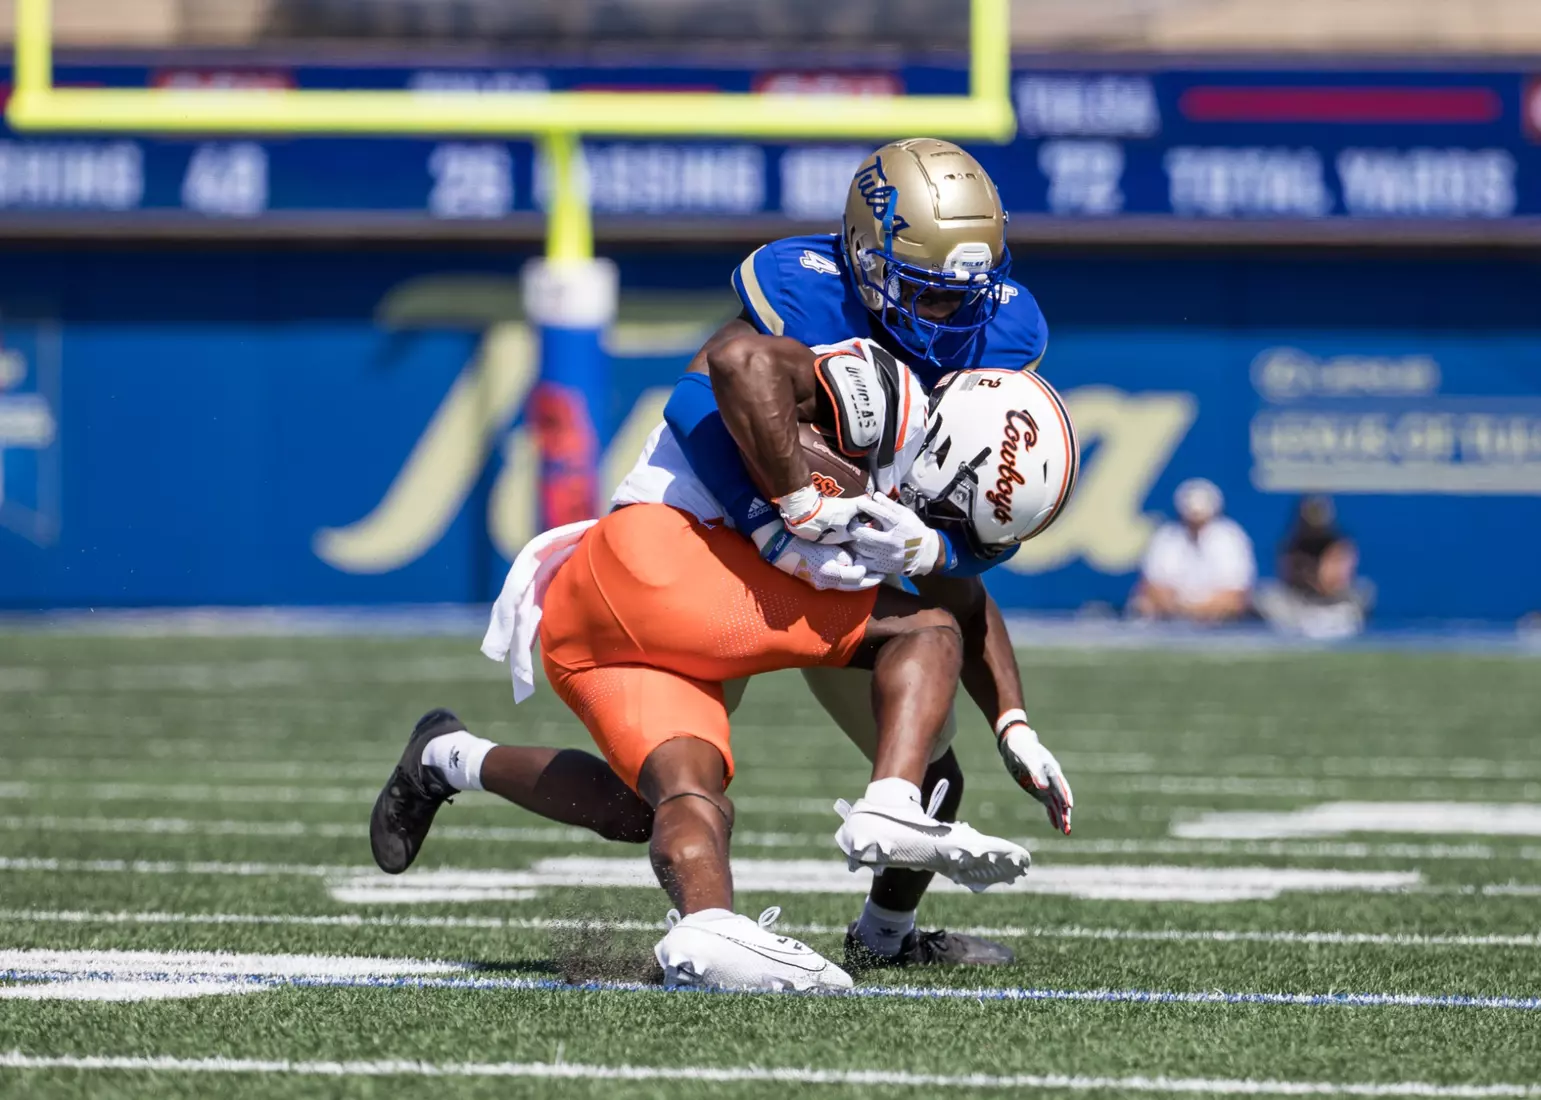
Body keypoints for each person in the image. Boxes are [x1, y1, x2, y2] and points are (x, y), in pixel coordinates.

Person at [370, 336, 1080, 992]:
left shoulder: (924, 482)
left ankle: (451, 760)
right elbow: (736, 363)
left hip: (600, 620)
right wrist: (803, 499)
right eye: (956, 517)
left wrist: (1013, 724)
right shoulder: (879, 403)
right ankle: (890, 805)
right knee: (921, 634)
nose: (949, 539)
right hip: (661, 562)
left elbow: (964, 595)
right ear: (953, 451)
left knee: (666, 803)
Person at [652, 137, 1071, 972]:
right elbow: (701, 398)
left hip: (833, 554)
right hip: (717, 539)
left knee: (930, 768)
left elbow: (969, 562)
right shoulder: (804, 293)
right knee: (660, 786)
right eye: (926, 292)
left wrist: (938, 547)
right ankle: (455, 763)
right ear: (868, 254)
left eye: (965, 294)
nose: (951, 317)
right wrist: (783, 515)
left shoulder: (997, 329)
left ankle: (884, 939)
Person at [1130, 478, 1256, 624]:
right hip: (1170, 619)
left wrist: (1197, 611)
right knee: (1142, 605)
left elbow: (1235, 596)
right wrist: (1179, 609)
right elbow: (1153, 587)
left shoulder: (1231, 537)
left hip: (1219, 622)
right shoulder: (1166, 537)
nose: (1195, 520)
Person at [1256, 496, 1371, 639]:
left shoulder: (1357, 599)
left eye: (1324, 555)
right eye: (1308, 553)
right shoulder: (1272, 603)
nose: (1312, 566)